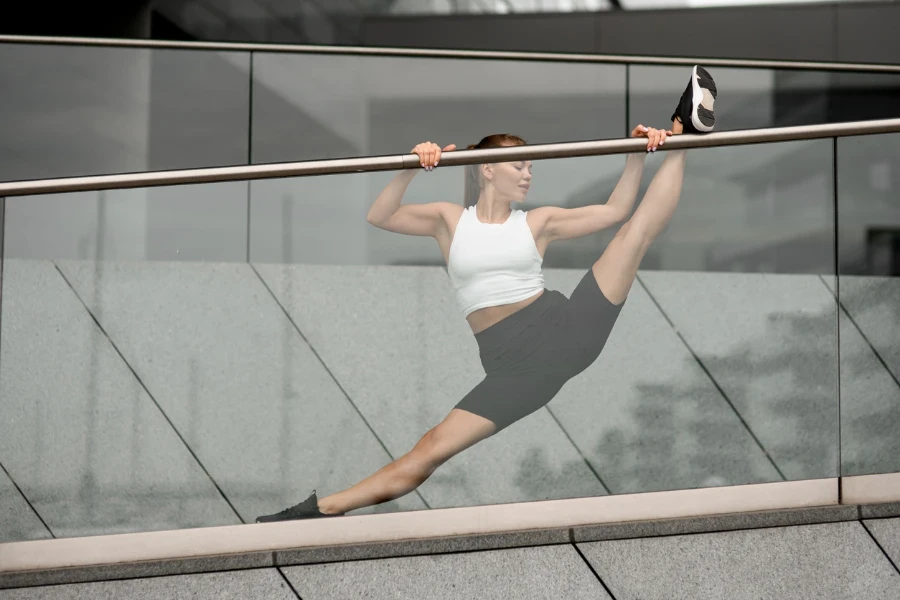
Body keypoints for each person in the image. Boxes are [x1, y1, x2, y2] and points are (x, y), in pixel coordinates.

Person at [256, 65, 717, 523]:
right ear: (488, 170)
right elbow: (381, 215)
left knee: (631, 237)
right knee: (429, 450)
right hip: (511, 370)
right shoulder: (448, 220)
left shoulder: (536, 222)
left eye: (531, 166)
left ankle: (683, 131)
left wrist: (639, 152)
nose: (528, 174)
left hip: (565, 330)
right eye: (520, 165)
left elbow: (616, 210)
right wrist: (413, 165)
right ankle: (319, 509)